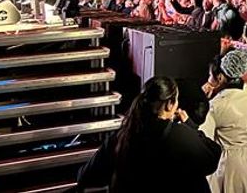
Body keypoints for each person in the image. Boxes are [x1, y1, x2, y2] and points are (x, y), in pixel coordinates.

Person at [77, 76, 222, 193]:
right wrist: (190, 125)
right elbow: (212, 157)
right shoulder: (180, 136)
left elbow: (85, 176)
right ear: (170, 104)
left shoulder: (122, 135)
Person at [200, 49, 247, 193]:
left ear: (220, 78)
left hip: (234, 168)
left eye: (210, 75)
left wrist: (202, 100)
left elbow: (204, 142)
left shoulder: (216, 106)